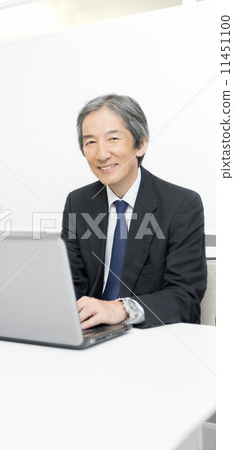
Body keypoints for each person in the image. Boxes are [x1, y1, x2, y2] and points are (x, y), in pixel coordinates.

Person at [61, 94, 207, 329]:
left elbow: (184, 298)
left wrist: (120, 309)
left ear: (141, 144)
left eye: (113, 139)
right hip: (92, 334)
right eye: (90, 142)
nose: (101, 154)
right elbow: (69, 287)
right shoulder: (78, 203)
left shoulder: (182, 205)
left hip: (151, 336)